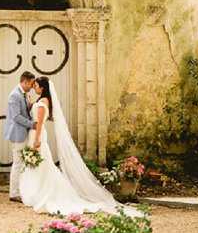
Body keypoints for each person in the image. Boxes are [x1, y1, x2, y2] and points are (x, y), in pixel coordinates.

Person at [19, 75, 141, 216]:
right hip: (35, 134)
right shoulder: (42, 100)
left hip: (37, 135)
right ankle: (37, 190)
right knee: (39, 163)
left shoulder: (43, 102)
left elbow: (39, 123)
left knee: (42, 163)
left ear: (42, 87)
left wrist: (37, 139)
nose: (34, 88)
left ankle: (43, 192)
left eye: (36, 86)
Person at [4, 70, 37, 202]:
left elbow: (24, 112)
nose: (32, 87)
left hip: (23, 132)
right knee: (17, 163)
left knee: (22, 162)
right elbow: (16, 116)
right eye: (31, 84)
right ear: (25, 82)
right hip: (18, 134)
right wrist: (32, 124)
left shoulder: (24, 94)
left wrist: (31, 106)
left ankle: (21, 189)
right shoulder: (15, 95)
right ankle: (13, 193)